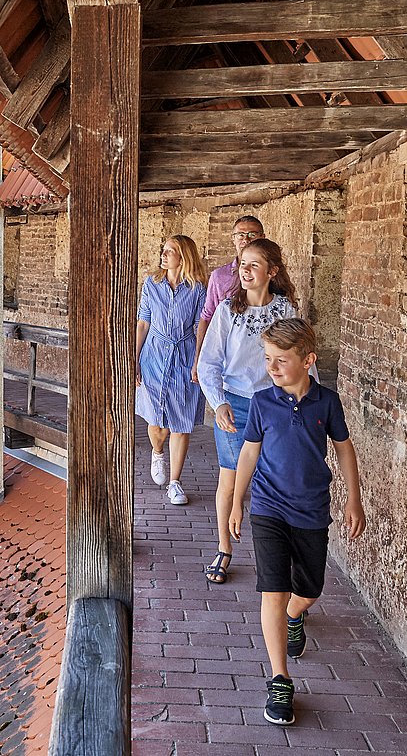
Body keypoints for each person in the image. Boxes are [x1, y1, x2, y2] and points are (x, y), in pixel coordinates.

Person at [227, 318, 365, 726]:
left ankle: (295, 616)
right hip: (268, 507)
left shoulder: (327, 402)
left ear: (308, 360)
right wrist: (238, 501)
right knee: (273, 590)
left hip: (311, 510)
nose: (271, 367)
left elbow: (344, 451)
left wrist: (354, 500)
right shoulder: (262, 402)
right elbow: (249, 454)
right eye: (267, 358)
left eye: (281, 360)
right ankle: (280, 679)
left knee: (308, 589)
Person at [197, 238, 302, 583]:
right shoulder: (229, 310)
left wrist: (303, 402)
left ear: (272, 272)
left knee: (273, 481)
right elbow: (209, 361)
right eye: (242, 263)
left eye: (254, 264)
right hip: (237, 404)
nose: (245, 270)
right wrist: (219, 403)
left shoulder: (285, 311)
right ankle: (224, 548)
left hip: (276, 405)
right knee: (231, 481)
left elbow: (300, 361)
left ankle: (270, 556)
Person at [135, 235, 209, 505]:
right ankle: (157, 452)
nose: (163, 255)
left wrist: (198, 360)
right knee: (156, 422)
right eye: (163, 250)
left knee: (180, 422)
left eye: (170, 251)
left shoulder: (198, 289)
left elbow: (202, 325)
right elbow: (143, 322)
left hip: (183, 354)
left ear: (184, 256)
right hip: (153, 355)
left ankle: (175, 482)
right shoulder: (151, 284)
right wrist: (134, 358)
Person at [193, 215, 265, 383]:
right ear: (233, 239)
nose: (245, 239)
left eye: (252, 234)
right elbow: (206, 317)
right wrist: (199, 359)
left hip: (262, 363)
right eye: (240, 234)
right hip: (229, 364)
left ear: (262, 237)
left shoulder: (271, 275)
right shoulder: (220, 277)